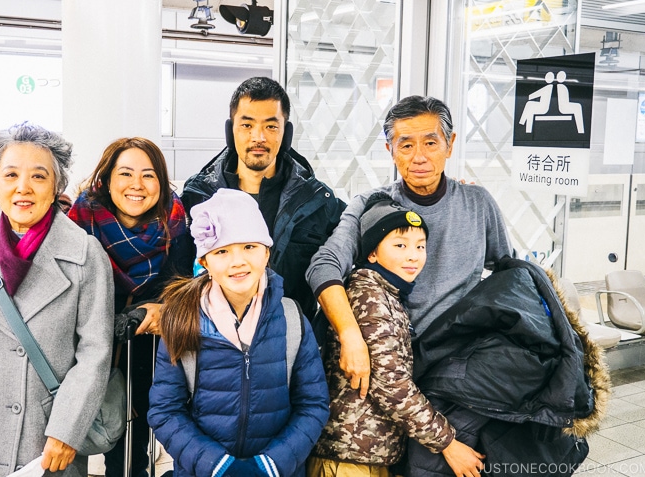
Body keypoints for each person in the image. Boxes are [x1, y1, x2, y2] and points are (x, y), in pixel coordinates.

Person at [0, 122, 114, 476]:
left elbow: (95, 352)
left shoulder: (84, 254)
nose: (23, 188)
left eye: (38, 177)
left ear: (56, 186)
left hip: (47, 438)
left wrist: (67, 430)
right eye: (11, 174)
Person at [306, 95, 513, 397]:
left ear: (450, 144)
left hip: (462, 362)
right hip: (391, 362)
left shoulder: (477, 203)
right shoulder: (370, 206)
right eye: (406, 145)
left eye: (430, 143)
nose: (419, 157)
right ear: (390, 150)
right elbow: (324, 265)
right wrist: (350, 335)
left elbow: (508, 271)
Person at [148, 189, 329, 477]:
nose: (237, 261)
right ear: (205, 262)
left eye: (249, 247)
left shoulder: (292, 318)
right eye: (222, 251)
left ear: (266, 252)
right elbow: (165, 410)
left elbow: (313, 404)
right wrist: (215, 465)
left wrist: (272, 464)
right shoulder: (182, 319)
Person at [308, 197, 485, 477]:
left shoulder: (388, 295)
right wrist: (448, 444)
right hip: (349, 461)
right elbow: (391, 385)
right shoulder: (369, 296)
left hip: (364, 456)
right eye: (400, 246)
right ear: (373, 254)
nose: (413, 256)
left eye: (420, 246)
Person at [67, 137, 190, 477]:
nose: (137, 185)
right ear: (106, 180)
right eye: (125, 173)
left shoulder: (177, 223)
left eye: (149, 175)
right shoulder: (77, 224)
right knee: (69, 442)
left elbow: (182, 284)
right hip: (82, 351)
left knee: (131, 450)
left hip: (144, 351)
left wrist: (161, 307)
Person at [181, 76, 346, 321]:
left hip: (292, 344)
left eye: (271, 126)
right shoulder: (197, 197)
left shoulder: (317, 203)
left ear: (286, 133)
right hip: (214, 343)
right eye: (247, 125)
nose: (258, 137)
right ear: (231, 130)